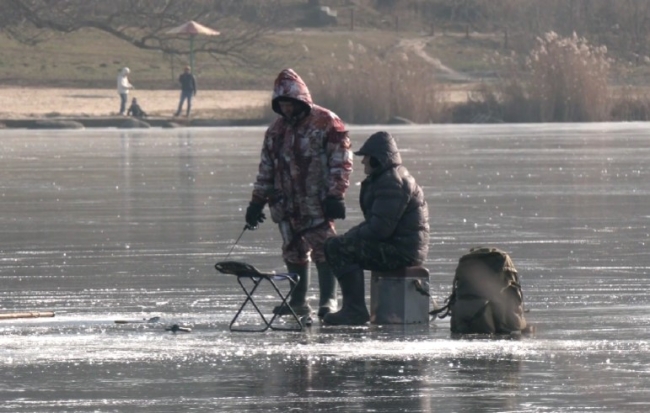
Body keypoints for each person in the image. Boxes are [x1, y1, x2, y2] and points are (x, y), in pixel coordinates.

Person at [245, 68, 352, 318]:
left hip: (318, 203)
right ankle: (298, 300)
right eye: (281, 104)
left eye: (290, 103)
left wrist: (336, 195)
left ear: (300, 100)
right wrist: (256, 203)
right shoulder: (275, 131)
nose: (286, 109)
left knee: (325, 249)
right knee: (292, 250)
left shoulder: (326, 122)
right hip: (284, 203)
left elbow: (342, 162)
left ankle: (328, 300)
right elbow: (266, 169)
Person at [322, 131, 430, 325]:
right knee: (338, 244)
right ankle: (352, 308)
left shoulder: (392, 182)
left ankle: (354, 310)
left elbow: (380, 229)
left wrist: (350, 237)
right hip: (400, 247)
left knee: (337, 248)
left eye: (367, 157)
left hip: (401, 252)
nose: (363, 162)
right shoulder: (388, 178)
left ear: (378, 159)